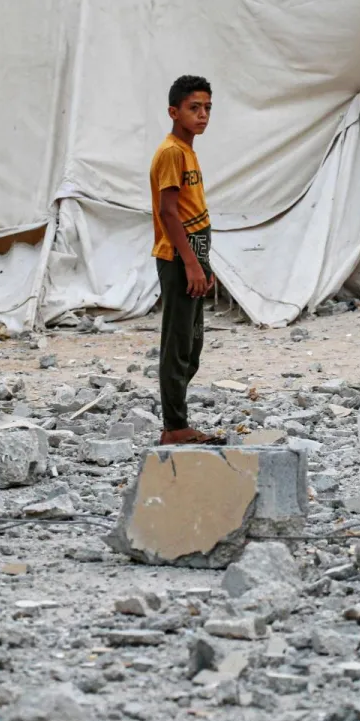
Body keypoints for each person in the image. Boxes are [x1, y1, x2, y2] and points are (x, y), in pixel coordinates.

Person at [150, 75, 221, 445]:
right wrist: (191, 263)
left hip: (195, 251)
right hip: (178, 255)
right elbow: (169, 212)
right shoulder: (171, 152)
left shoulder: (188, 151)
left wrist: (205, 265)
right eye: (195, 108)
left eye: (207, 107)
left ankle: (177, 419)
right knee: (177, 344)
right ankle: (174, 427)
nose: (203, 114)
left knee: (192, 346)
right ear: (174, 112)